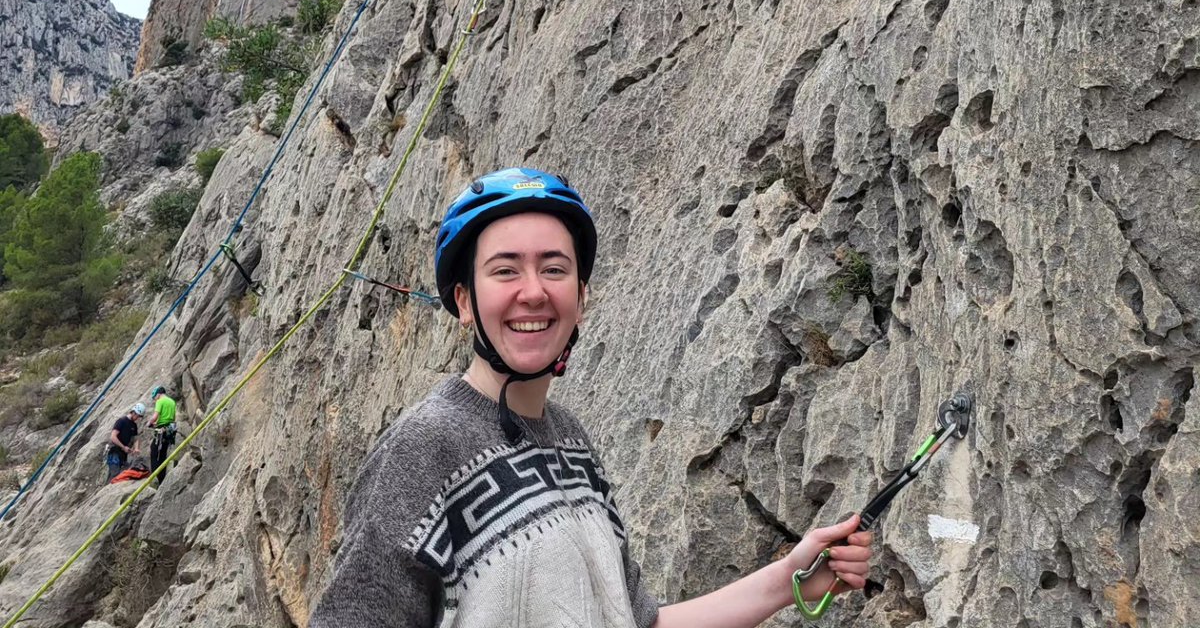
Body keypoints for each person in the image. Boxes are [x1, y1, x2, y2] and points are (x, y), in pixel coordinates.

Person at [310, 167, 873, 627]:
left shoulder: (572, 443)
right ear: (463, 300)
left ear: (580, 297)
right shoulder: (423, 449)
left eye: (554, 268)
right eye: (505, 270)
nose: (533, 291)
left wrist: (793, 578)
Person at [147, 383, 178, 486]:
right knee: (163, 454)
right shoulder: (172, 402)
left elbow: (155, 416)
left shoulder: (160, 401)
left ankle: (156, 479)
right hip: (170, 430)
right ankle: (163, 478)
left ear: (158, 394)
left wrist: (150, 422)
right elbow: (172, 418)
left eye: (155, 397)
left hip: (161, 431)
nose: (155, 400)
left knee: (155, 454)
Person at [105, 403, 143, 483]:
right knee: (115, 475)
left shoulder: (134, 425)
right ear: (134, 412)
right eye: (138, 416)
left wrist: (136, 448)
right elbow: (113, 437)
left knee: (122, 474)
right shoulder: (121, 421)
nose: (138, 418)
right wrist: (123, 447)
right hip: (114, 451)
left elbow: (136, 438)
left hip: (123, 454)